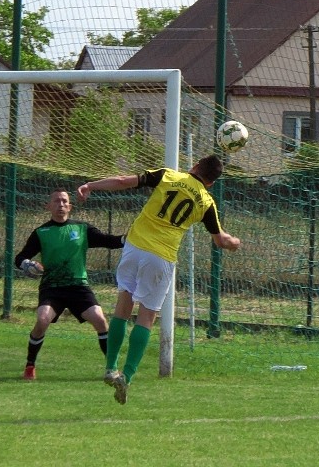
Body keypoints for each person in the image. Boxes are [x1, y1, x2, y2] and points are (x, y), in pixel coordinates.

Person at [77, 154, 241, 404]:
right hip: (161, 256)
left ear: (195, 165)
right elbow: (220, 240)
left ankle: (111, 367)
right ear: (211, 183)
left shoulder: (168, 175)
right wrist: (234, 243)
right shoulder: (207, 202)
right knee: (147, 316)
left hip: (134, 247)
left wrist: (91, 185)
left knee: (123, 306)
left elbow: (122, 181)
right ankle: (127, 376)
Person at [15, 188, 125, 381]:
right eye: (56, 201)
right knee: (42, 320)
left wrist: (127, 239)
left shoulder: (82, 229)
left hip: (78, 287)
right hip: (52, 287)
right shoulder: (41, 232)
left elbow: (108, 241)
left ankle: (112, 368)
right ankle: (30, 365)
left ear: (70, 206)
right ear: (48, 206)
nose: (61, 205)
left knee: (100, 320)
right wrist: (27, 264)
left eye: (65, 201)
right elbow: (20, 257)